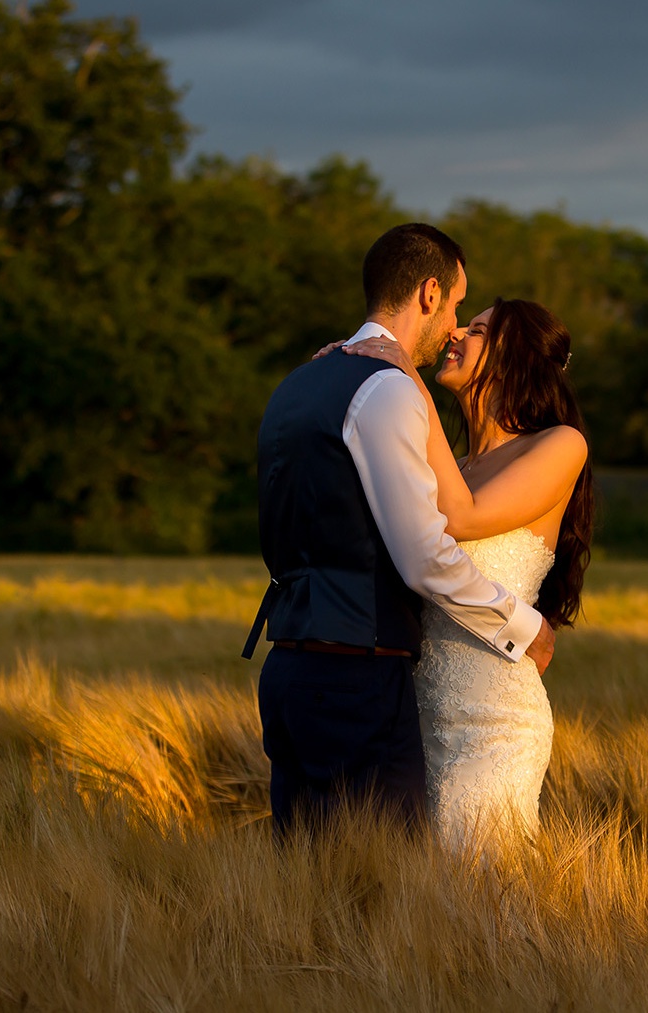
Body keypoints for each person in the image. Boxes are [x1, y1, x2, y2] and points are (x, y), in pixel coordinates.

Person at [243, 224, 557, 835]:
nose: (456, 325)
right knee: (380, 897)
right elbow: (425, 558)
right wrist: (525, 626)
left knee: (307, 895)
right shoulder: (384, 388)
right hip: (357, 678)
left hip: (287, 670)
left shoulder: (298, 384)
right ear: (430, 293)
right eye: (459, 305)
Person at [330, 298, 593, 851]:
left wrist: (403, 375)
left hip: (492, 723)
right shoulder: (454, 463)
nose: (454, 334)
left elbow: (462, 517)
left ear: (514, 355)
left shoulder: (559, 444)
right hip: (418, 716)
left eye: (475, 330)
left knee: (479, 902)